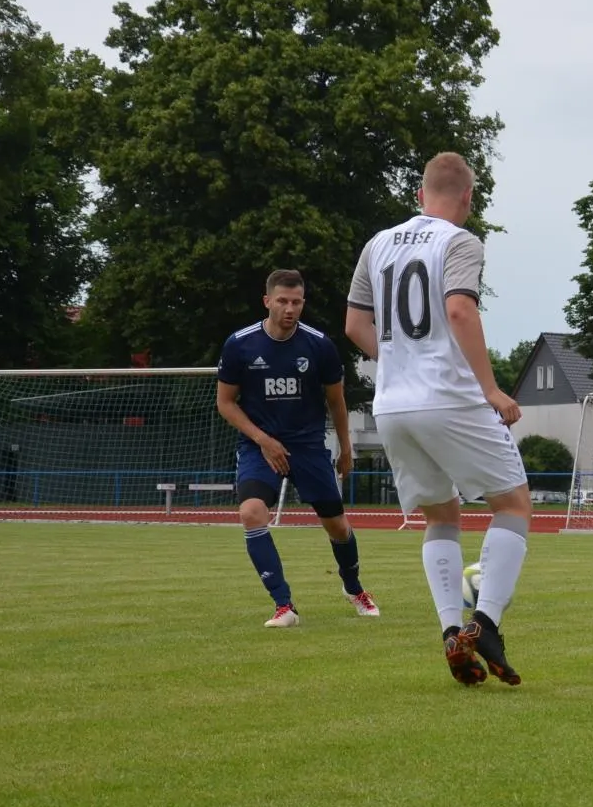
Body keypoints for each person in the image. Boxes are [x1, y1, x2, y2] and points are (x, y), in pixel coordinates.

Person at [345, 152, 528, 686]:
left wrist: (398, 361)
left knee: (440, 517)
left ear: (419, 195)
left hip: (392, 405)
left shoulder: (377, 244)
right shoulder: (460, 241)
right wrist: (490, 388)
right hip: (448, 396)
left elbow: (355, 324)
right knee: (513, 504)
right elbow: (459, 309)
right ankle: (485, 623)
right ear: (467, 198)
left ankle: (452, 630)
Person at [215, 269, 375, 628]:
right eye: (283, 301)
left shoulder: (319, 345)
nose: (290, 309)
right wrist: (263, 440)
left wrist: (345, 448)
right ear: (267, 301)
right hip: (259, 447)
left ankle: (354, 589)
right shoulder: (240, 344)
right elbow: (225, 403)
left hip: (308, 447)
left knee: (338, 527)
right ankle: (284, 605)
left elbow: (337, 401)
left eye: (297, 302)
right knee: (251, 513)